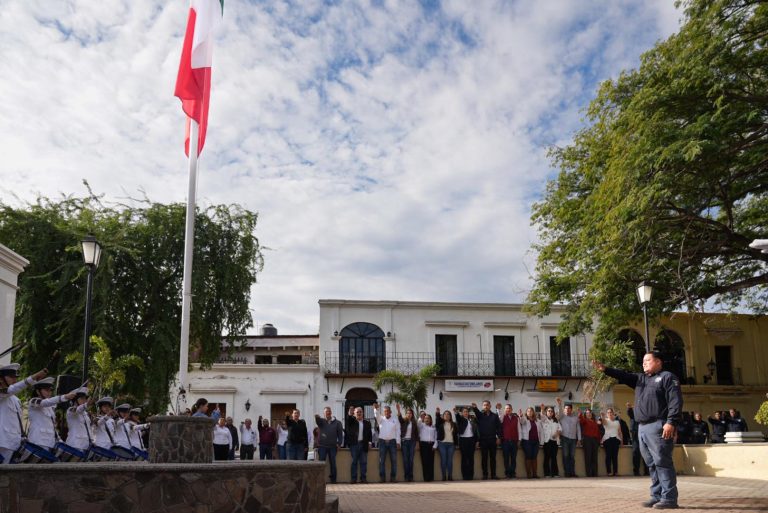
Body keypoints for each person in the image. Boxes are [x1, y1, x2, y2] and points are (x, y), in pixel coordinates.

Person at [594, 352, 683, 509]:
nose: (644, 363)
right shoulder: (641, 379)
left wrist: (671, 422)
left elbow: (675, 401)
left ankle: (669, 498)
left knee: (662, 462)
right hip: (642, 427)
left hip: (658, 425)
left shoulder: (667, 377)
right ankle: (656, 496)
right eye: (643, 361)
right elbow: (624, 375)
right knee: (651, 463)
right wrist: (606, 369)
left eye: (647, 360)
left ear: (658, 362)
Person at [0, 364, 48, 464]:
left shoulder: (16, 400)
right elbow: (12, 389)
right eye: (11, 377)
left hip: (14, 443)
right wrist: (33, 378)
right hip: (2, 443)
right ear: (1, 378)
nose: (15, 380)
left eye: (15, 377)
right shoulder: (2, 394)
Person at [27, 377, 76, 452]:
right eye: (46, 390)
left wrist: (59, 440)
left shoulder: (50, 408)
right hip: (37, 442)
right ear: (38, 391)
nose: (49, 393)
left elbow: (52, 426)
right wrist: (64, 397)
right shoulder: (33, 401)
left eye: (50, 391)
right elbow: (45, 403)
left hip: (50, 443)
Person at [471, 401, 501, 480]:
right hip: (483, 440)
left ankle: (493, 475)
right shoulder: (480, 416)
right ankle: (485, 475)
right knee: (484, 458)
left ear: (490, 406)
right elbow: (477, 413)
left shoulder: (494, 416)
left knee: (493, 458)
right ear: (482, 406)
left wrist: (498, 437)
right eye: (484, 405)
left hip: (493, 440)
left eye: (487, 405)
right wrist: (475, 408)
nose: (486, 406)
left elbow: (498, 427)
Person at [373, 402, 401, 482]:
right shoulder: (381, 419)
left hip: (392, 442)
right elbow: (376, 415)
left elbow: (398, 431)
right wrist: (376, 409)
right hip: (382, 441)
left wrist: (398, 442)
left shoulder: (395, 420)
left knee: (394, 460)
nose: (386, 412)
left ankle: (393, 478)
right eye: (385, 411)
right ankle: (382, 478)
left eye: (387, 411)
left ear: (390, 412)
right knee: (382, 460)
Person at [315, 406, 344, 483]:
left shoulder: (338, 423)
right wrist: (317, 417)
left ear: (331, 412)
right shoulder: (321, 421)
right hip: (322, 447)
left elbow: (340, 434)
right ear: (324, 413)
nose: (327, 412)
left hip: (333, 447)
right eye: (326, 411)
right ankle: (320, 480)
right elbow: (317, 421)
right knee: (321, 464)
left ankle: (333, 480)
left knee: (333, 464)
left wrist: (339, 443)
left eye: (329, 411)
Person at [345, 406, 373, 484]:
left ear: (362, 413)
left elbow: (370, 434)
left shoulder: (367, 423)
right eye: (357, 412)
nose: (359, 413)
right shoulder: (352, 421)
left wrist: (370, 443)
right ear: (354, 413)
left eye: (360, 412)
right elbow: (348, 419)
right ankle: (353, 479)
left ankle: (363, 478)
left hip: (363, 444)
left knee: (364, 462)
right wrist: (350, 414)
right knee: (354, 462)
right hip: (354, 444)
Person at [555, 397, 581, 478]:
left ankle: (572, 472)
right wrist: (559, 404)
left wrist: (579, 439)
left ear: (571, 409)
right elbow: (558, 414)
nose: (567, 410)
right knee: (566, 456)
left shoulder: (575, 418)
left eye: (569, 408)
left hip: (573, 439)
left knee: (572, 456)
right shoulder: (561, 417)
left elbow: (578, 428)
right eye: (566, 408)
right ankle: (567, 473)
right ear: (564, 409)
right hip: (564, 438)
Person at [395, 404, 419, 482]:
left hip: (412, 442)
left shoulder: (414, 423)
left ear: (412, 414)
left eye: (410, 413)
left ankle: (411, 476)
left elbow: (416, 434)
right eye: (407, 413)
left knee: (411, 460)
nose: (409, 414)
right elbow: (399, 418)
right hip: (404, 442)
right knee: (405, 460)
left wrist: (417, 443)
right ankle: (406, 476)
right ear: (406, 414)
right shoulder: (403, 421)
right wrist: (398, 410)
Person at [497, 402, 520, 479]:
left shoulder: (516, 418)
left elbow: (518, 429)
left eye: (509, 408)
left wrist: (519, 440)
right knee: (506, 458)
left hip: (514, 441)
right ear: (504, 410)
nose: (508, 410)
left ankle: (513, 473)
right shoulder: (503, 417)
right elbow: (499, 417)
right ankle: (507, 473)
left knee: (513, 458)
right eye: (506, 408)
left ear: (512, 409)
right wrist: (499, 409)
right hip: (505, 441)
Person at [454, 405, 478, 480]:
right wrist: (456, 413)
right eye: (464, 412)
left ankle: (471, 475)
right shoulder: (461, 420)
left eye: (467, 412)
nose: (466, 413)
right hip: (463, 440)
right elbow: (458, 418)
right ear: (462, 413)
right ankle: (465, 476)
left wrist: (477, 441)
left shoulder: (472, 420)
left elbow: (475, 431)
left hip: (471, 440)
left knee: (471, 458)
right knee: (464, 458)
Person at [65, 387, 93, 452]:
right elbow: (77, 410)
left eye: (85, 399)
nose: (84, 401)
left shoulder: (85, 414)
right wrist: (86, 405)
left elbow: (88, 429)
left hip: (86, 445)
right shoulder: (70, 410)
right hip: (75, 445)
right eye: (82, 399)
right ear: (75, 400)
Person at [435, 407, 458, 481]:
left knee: (450, 460)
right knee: (443, 460)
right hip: (442, 443)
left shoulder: (454, 424)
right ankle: (444, 476)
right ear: (443, 416)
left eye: (448, 414)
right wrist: (438, 413)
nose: (447, 415)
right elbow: (437, 420)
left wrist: (456, 444)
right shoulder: (441, 423)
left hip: (451, 444)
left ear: (450, 416)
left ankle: (450, 476)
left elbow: (456, 434)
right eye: (445, 414)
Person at [540, 404, 562, 478]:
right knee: (547, 457)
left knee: (554, 457)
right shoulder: (544, 420)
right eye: (548, 411)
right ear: (546, 412)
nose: (550, 412)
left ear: (553, 413)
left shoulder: (556, 420)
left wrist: (556, 434)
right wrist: (542, 409)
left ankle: (555, 473)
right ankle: (547, 473)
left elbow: (560, 429)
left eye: (551, 411)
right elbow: (542, 415)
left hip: (554, 441)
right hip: (547, 441)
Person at [519, 407, 542, 478]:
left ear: (533, 413)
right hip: (527, 441)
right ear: (526, 412)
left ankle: (534, 474)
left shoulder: (537, 421)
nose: (530, 412)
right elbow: (522, 421)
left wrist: (541, 442)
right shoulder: (525, 419)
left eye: (531, 411)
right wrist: (521, 416)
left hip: (536, 441)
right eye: (528, 411)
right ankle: (529, 474)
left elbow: (540, 431)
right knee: (528, 457)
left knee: (534, 457)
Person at [628, 403, 650, 476]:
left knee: (646, 452)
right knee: (636, 452)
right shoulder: (633, 414)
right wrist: (629, 408)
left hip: (644, 434)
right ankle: (636, 471)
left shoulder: (644, 414)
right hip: (635, 435)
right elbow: (630, 413)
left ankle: (647, 471)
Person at [601, 407, 623, 476]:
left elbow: (620, 432)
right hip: (607, 439)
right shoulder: (606, 420)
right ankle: (609, 472)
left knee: (615, 456)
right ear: (607, 414)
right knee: (608, 456)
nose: (609, 413)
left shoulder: (617, 422)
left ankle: (615, 472)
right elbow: (603, 421)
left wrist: (622, 440)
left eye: (611, 412)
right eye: (608, 412)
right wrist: (602, 416)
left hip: (616, 439)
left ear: (613, 413)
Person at [579, 408, 601, 477]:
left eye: (590, 413)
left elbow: (598, 432)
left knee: (594, 457)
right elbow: (581, 420)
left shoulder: (595, 422)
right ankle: (589, 474)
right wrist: (580, 414)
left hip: (595, 440)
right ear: (585, 414)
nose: (589, 414)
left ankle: (595, 473)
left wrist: (598, 441)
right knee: (588, 457)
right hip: (587, 440)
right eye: (587, 413)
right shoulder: (584, 420)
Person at [418, 413, 437, 482]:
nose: (427, 419)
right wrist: (421, 417)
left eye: (428, 418)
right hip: (424, 445)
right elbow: (419, 423)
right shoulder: (421, 426)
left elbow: (436, 437)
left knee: (431, 461)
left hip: (431, 445)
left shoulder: (433, 427)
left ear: (430, 420)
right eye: (425, 418)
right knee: (425, 461)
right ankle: (426, 478)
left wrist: (435, 445)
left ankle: (431, 477)